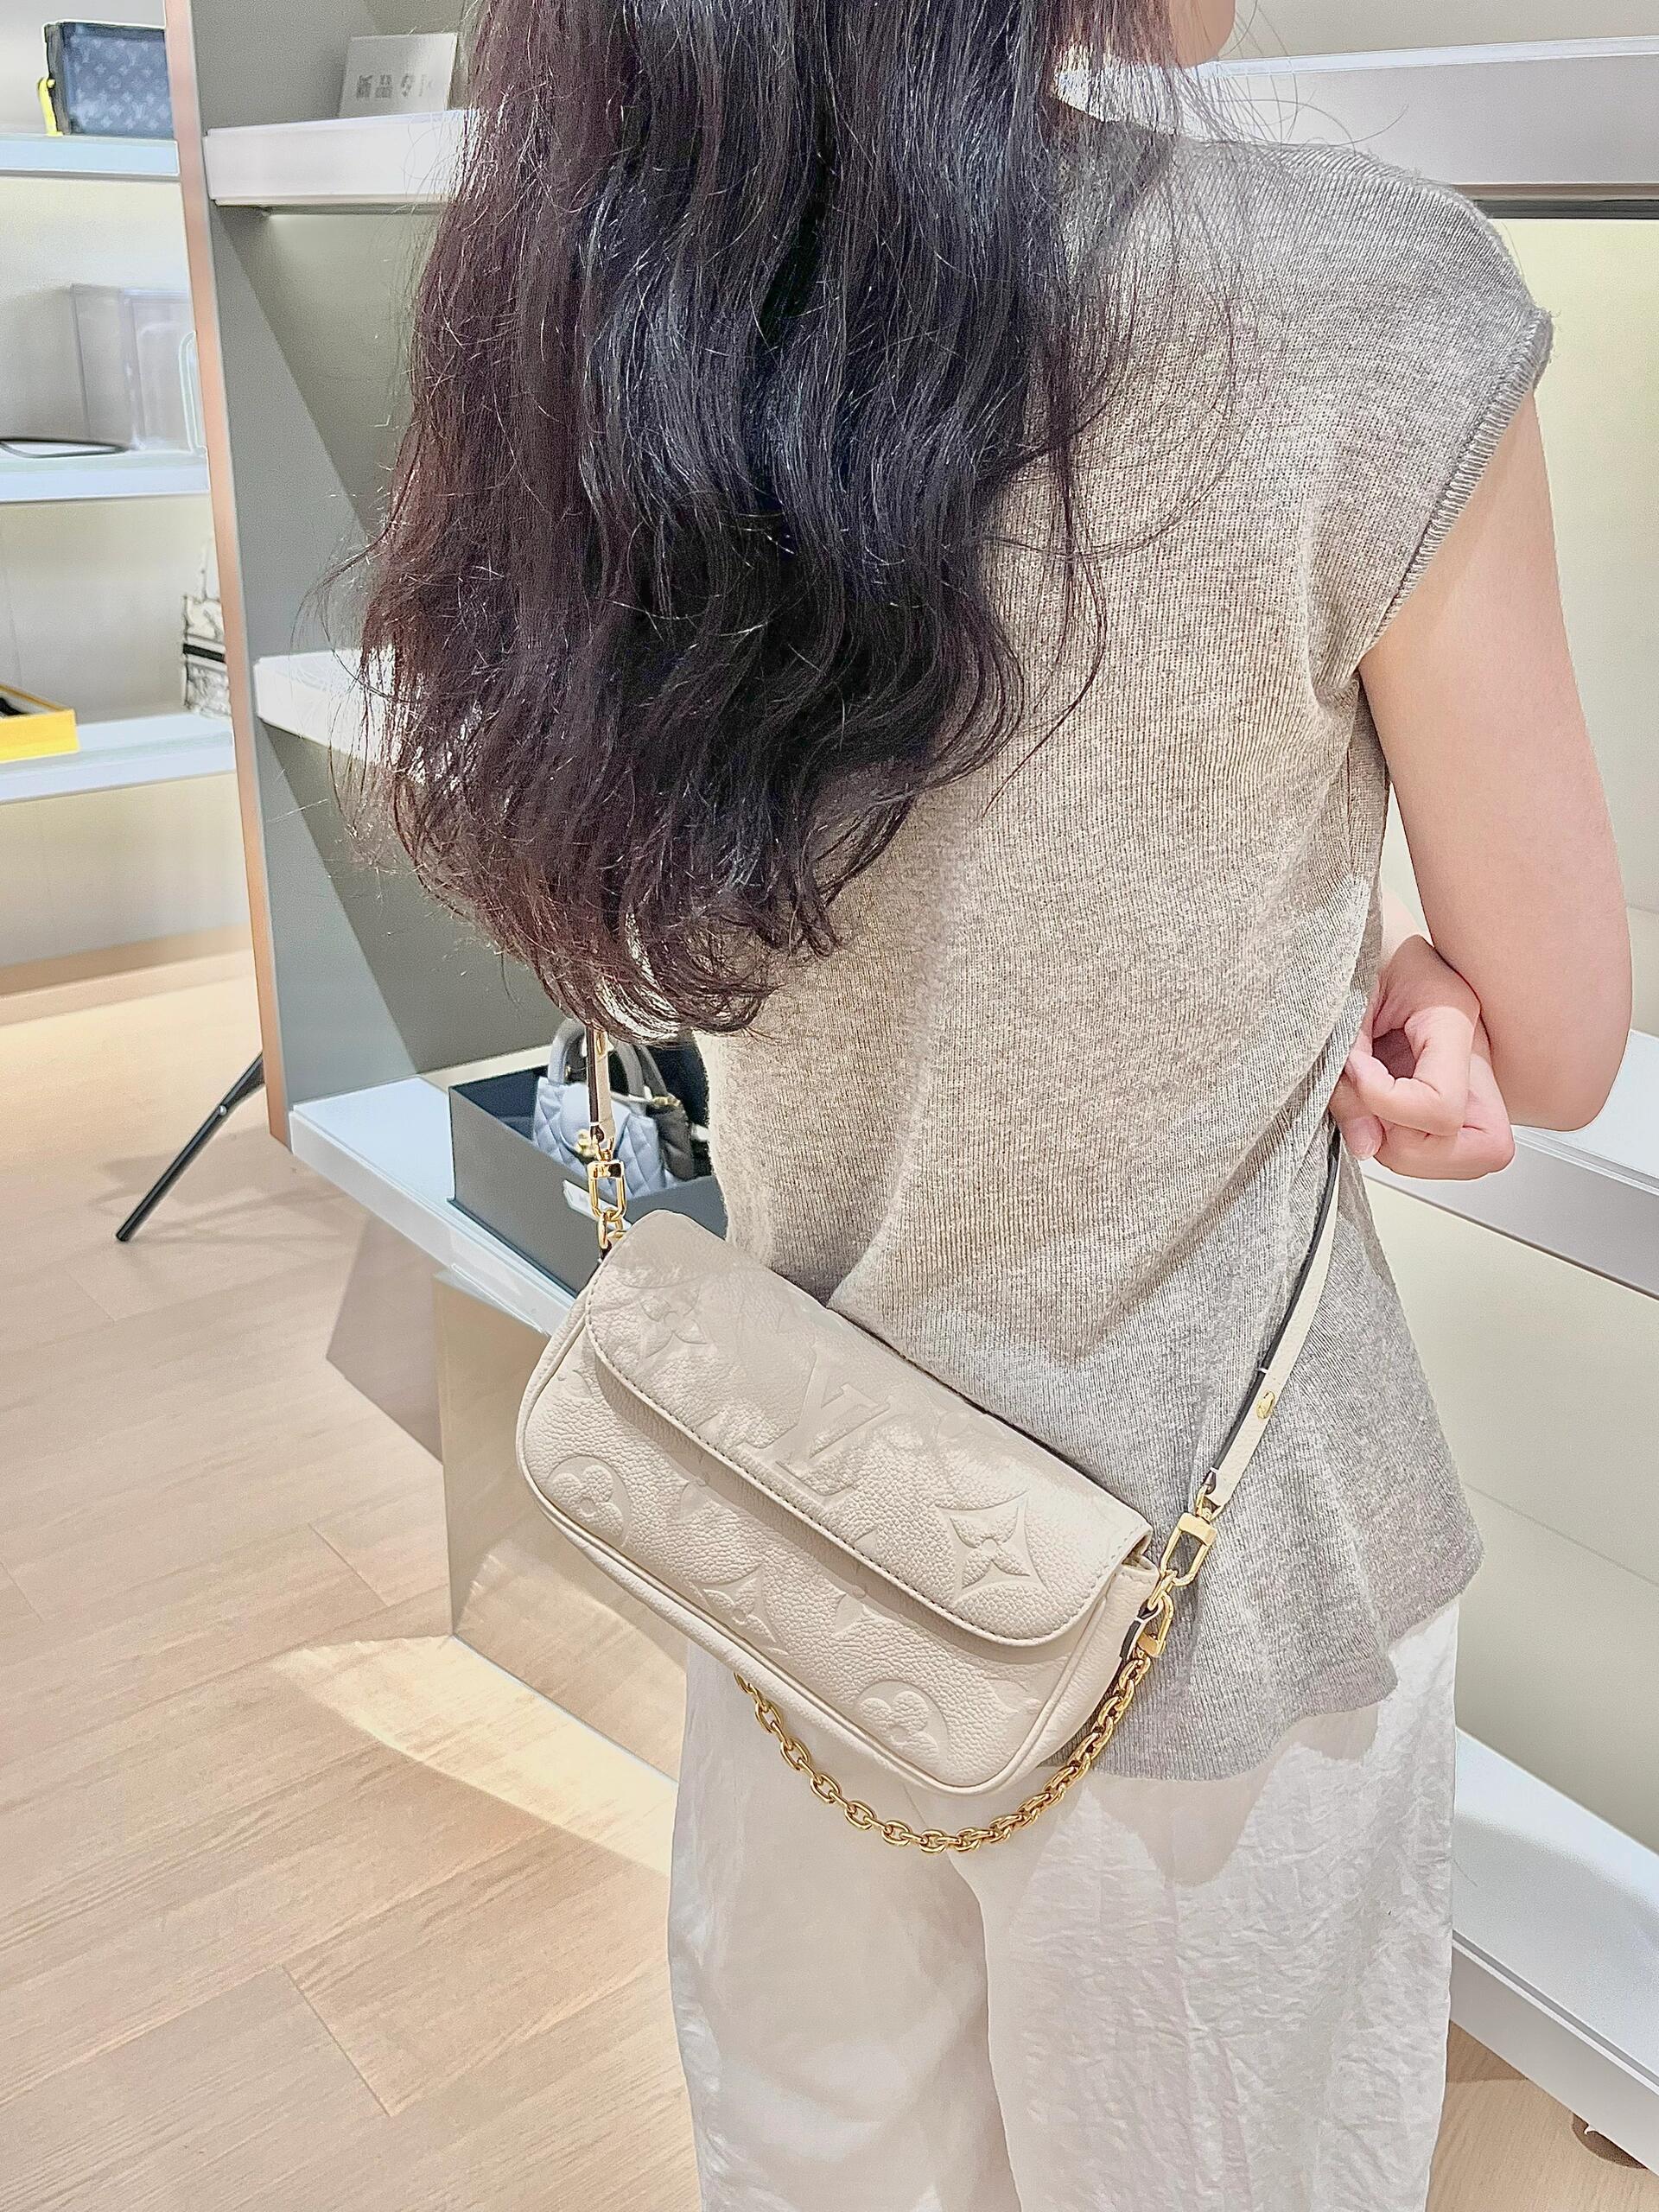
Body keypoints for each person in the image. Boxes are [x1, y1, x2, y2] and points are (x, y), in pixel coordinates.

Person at [362, 1, 1631, 2204]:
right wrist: (1407, 967)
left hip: (798, 1538)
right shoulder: (1356, 301)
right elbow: (1566, 1028)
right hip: (1212, 1607)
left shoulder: (632, 278)